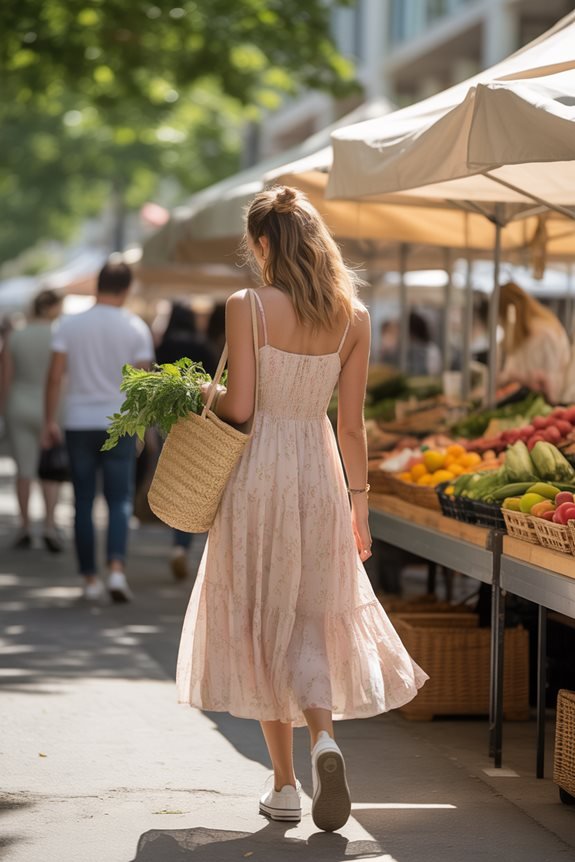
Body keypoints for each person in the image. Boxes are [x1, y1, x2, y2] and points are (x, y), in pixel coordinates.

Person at [176, 187, 427, 833]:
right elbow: (350, 426)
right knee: (311, 615)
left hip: (257, 473)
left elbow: (239, 408)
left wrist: (200, 388)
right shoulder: (353, 316)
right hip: (318, 476)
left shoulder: (247, 307)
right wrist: (360, 508)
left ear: (263, 245)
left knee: (263, 616)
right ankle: (323, 739)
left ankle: (285, 786)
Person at [43, 261, 154, 602]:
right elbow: (144, 384)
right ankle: (117, 571)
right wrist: (141, 426)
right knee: (119, 500)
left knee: (82, 501)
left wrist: (49, 420)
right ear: (126, 288)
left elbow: (55, 376)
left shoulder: (70, 324)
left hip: (78, 421)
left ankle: (89, 578)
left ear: (98, 285)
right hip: (119, 422)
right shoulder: (135, 327)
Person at [155, 302, 218, 581]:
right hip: (196, 424)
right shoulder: (203, 347)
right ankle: (181, 545)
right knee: (189, 483)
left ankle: (171, 530)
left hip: (165, 421)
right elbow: (218, 383)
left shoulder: (163, 346)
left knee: (169, 478)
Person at [1, 289, 64, 550]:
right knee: (49, 469)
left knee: (24, 470)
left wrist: (3, 410)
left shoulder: (16, 336)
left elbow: (5, 378)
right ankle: (49, 524)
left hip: (18, 403)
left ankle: (25, 525)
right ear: (52, 308)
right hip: (50, 407)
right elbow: (61, 377)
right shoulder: (59, 336)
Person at [498, 281, 570, 404]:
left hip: (546, 403)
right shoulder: (538, 327)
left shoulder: (543, 333)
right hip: (539, 403)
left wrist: (516, 377)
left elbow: (549, 382)